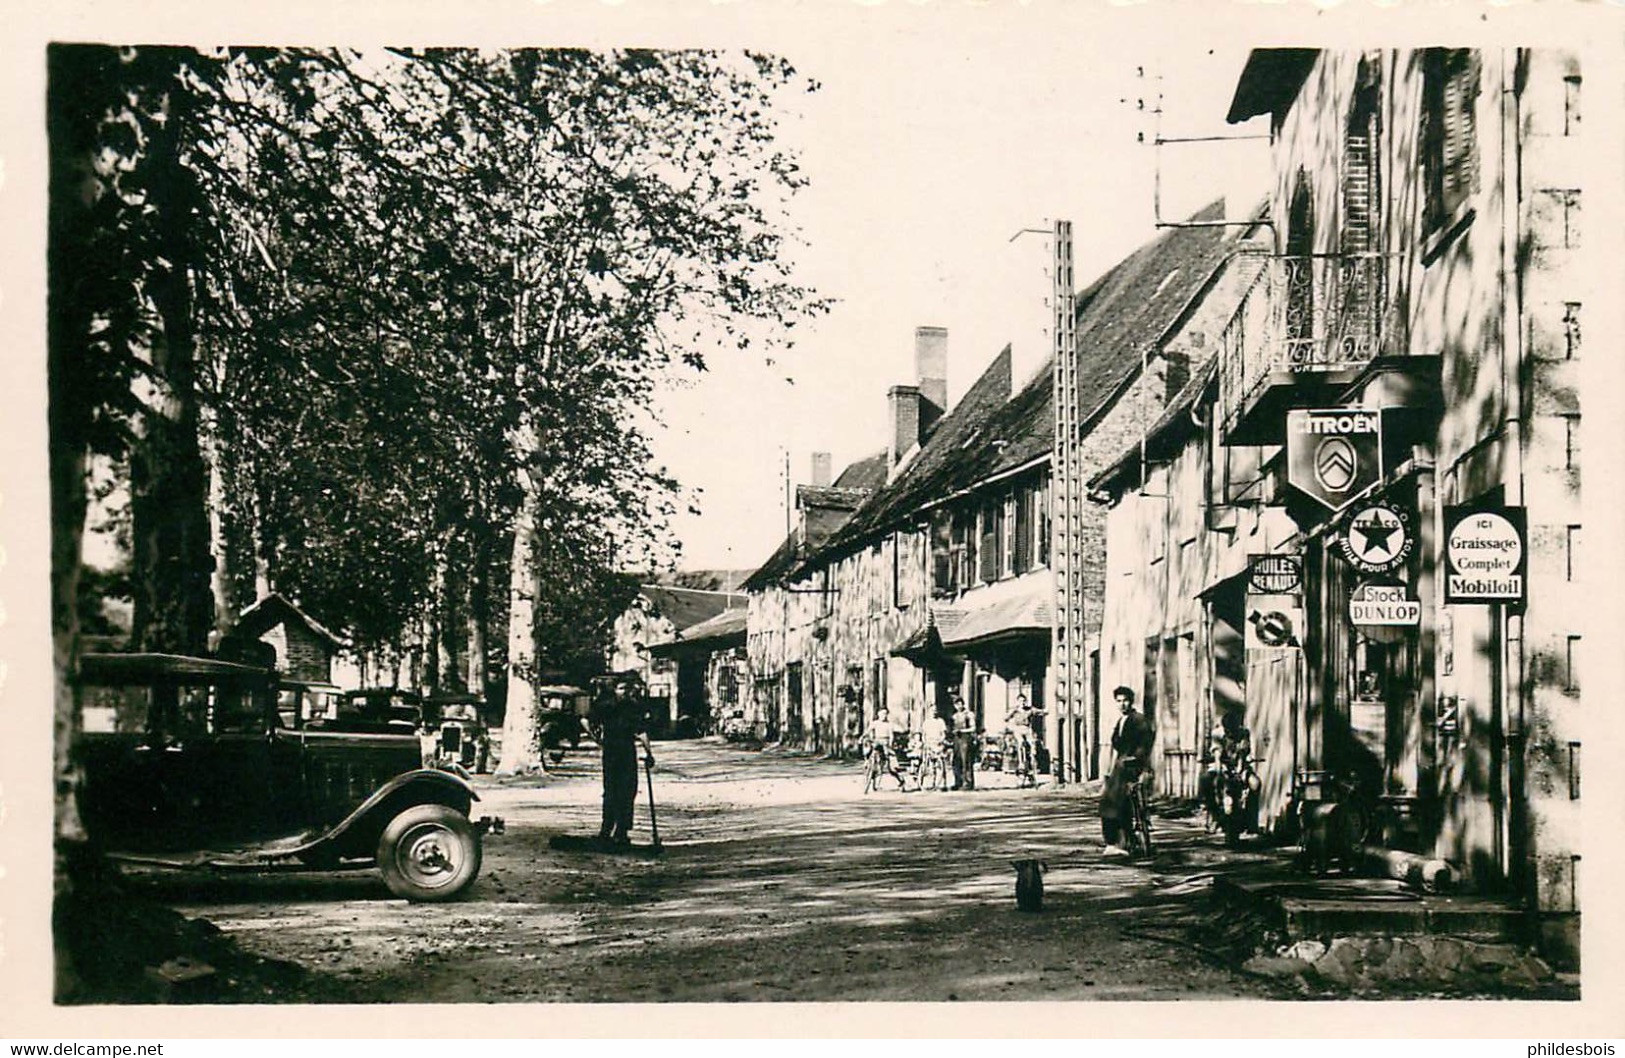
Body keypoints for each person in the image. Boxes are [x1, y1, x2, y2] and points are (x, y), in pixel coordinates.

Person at [592, 677, 654, 846]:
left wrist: (649, 753)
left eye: (627, 689)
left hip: (627, 752)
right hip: (612, 752)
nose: (624, 692)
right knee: (611, 791)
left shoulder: (633, 708)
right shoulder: (606, 707)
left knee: (627, 791)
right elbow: (587, 720)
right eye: (621, 688)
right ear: (614, 689)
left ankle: (622, 831)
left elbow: (641, 731)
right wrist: (597, 738)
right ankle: (606, 830)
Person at [1101, 685, 1153, 853]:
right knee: (1110, 803)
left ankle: (1119, 842)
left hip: (1132, 766)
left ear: (1131, 702)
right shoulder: (1121, 721)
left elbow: (1145, 742)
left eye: (1125, 701)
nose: (1122, 704)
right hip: (1121, 764)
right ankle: (1118, 841)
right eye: (1119, 701)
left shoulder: (1138, 720)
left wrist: (1136, 758)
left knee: (1113, 802)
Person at [1199, 709, 1259, 829]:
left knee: (1255, 783)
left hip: (1240, 766)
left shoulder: (1244, 733)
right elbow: (1217, 754)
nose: (1231, 733)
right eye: (1228, 729)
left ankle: (1251, 819)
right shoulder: (1217, 734)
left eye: (1233, 729)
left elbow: (1242, 753)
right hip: (1222, 765)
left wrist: (1240, 770)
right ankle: (1213, 813)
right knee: (1206, 780)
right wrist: (1219, 770)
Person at [862, 707, 907, 791]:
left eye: (885, 714)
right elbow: (868, 731)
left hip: (885, 742)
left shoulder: (889, 724)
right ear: (878, 714)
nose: (884, 716)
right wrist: (862, 737)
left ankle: (900, 781)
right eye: (882, 713)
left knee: (891, 766)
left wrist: (890, 743)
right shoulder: (875, 723)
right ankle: (868, 764)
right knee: (869, 751)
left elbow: (891, 736)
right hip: (877, 741)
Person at [1005, 693, 1037, 787]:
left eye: (1023, 701)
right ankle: (1022, 763)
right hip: (1018, 728)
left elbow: (1040, 712)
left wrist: (1046, 711)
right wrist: (1011, 726)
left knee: (1032, 745)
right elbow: (1005, 718)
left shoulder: (1029, 710)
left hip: (1027, 729)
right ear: (1017, 701)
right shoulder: (1015, 711)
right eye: (1020, 701)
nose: (1022, 703)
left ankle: (1031, 765)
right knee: (1021, 743)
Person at [950, 690, 978, 791]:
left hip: (966, 739)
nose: (958, 706)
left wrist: (962, 730)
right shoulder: (954, 716)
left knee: (966, 760)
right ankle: (958, 782)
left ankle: (968, 782)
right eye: (956, 704)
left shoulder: (969, 714)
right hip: (957, 739)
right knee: (956, 761)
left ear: (963, 704)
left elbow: (973, 728)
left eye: (960, 703)